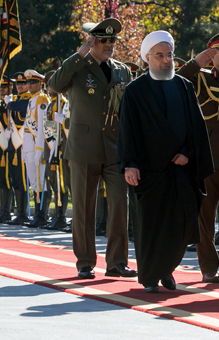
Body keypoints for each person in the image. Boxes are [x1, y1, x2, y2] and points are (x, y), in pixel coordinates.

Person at [117, 30, 213, 292]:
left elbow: (196, 127)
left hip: (180, 169)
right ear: (147, 58)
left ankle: (167, 269)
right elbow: (127, 130)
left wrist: (187, 152)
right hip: (147, 172)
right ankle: (150, 276)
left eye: (169, 55)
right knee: (151, 227)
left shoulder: (184, 86)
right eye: (159, 55)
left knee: (181, 225)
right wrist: (130, 163)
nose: (166, 60)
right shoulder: (135, 91)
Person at [48, 18, 135, 280]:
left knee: (120, 203)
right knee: (85, 208)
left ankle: (117, 262)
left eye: (113, 41)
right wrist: (78, 55)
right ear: (91, 42)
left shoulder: (122, 71)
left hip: (115, 148)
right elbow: (54, 85)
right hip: (84, 148)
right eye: (103, 40)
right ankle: (85, 261)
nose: (109, 45)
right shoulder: (77, 67)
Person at [177, 32, 219, 283]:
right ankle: (208, 265)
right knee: (205, 216)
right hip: (206, 158)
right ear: (212, 56)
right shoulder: (200, 78)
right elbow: (174, 82)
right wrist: (196, 63)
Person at [41, 70, 71, 232]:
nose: (50, 87)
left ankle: (61, 215)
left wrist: (56, 145)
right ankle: (57, 214)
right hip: (52, 146)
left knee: (63, 182)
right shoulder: (53, 103)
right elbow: (49, 126)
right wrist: (51, 144)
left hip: (62, 146)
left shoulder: (62, 102)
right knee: (54, 181)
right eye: (48, 84)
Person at [23, 69, 51, 228]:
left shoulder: (41, 99)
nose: (29, 85)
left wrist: (40, 148)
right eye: (28, 82)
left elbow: (41, 126)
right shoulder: (32, 99)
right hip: (29, 145)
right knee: (34, 181)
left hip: (36, 145)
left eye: (32, 82)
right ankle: (37, 215)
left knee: (41, 182)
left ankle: (42, 214)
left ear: (40, 83)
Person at [6, 72, 31, 226]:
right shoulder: (16, 99)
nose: (19, 86)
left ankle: (23, 213)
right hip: (14, 143)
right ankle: (18, 212)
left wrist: (10, 104)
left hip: (23, 143)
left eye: (22, 83)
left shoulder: (28, 99)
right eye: (17, 84)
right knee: (15, 178)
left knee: (22, 179)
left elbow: (23, 108)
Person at [0, 75, 15, 223]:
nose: (1, 89)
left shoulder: (12, 102)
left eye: (4, 87)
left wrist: (9, 105)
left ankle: (6, 212)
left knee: (5, 179)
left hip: (6, 144)